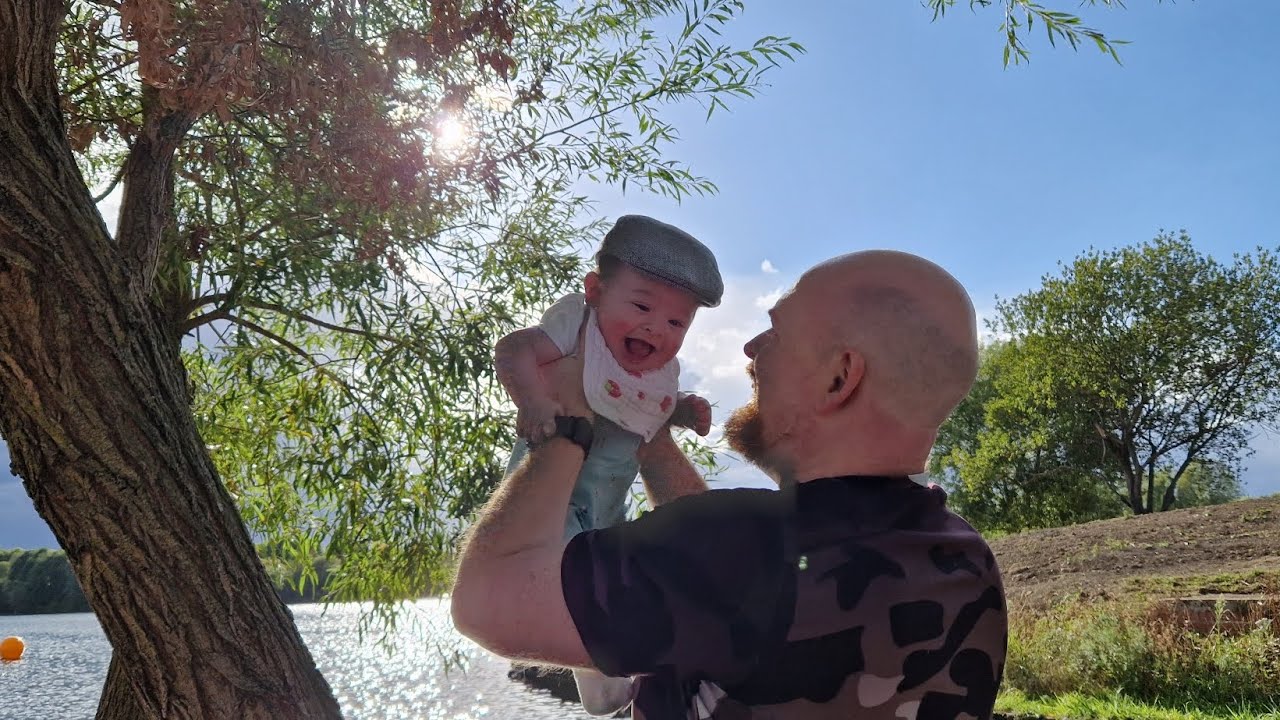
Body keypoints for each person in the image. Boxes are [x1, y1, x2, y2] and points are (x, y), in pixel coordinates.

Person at [454, 250, 1008, 720]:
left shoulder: (733, 550)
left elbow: (486, 601)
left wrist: (568, 420)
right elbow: (724, 594)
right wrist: (642, 428)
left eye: (779, 331)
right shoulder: (967, 561)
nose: (752, 347)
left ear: (840, 377)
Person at [493, 214, 722, 714]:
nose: (654, 328)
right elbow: (512, 349)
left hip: (608, 508)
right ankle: (606, 692)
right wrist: (532, 401)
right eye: (641, 305)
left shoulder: (656, 368)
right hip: (553, 504)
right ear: (594, 291)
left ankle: (617, 698)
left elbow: (645, 403)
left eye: (675, 323)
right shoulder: (575, 329)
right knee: (580, 590)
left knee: (615, 585)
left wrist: (679, 408)